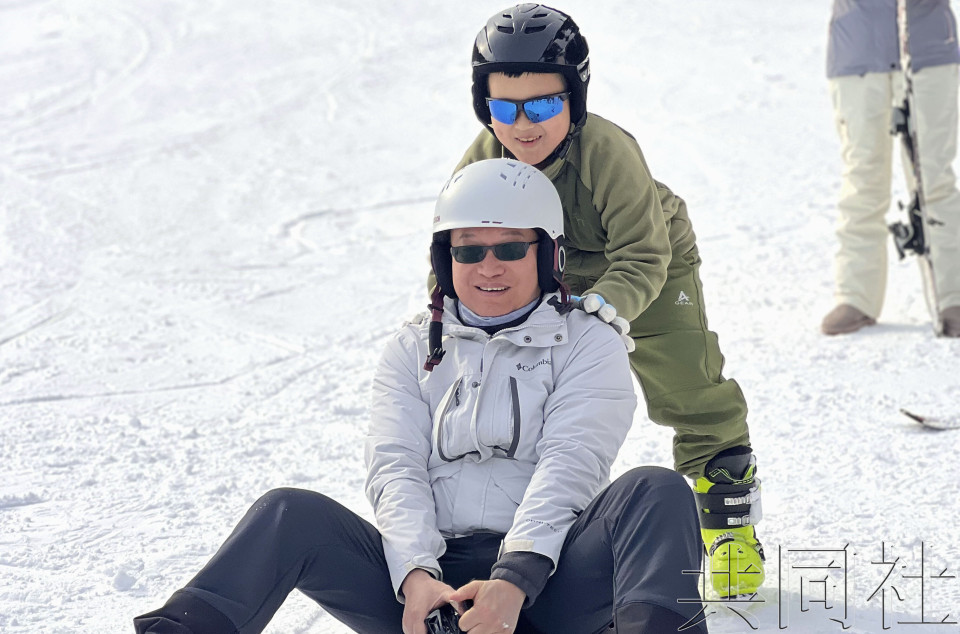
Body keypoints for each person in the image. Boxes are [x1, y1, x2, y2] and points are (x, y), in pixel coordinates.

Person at [133, 159, 708, 634]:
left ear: (547, 254)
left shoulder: (589, 341)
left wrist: (513, 581)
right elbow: (395, 465)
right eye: (468, 250)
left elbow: (571, 462)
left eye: (510, 250)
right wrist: (415, 576)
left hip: (548, 582)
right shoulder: (412, 346)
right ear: (444, 258)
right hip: (431, 591)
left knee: (655, 491)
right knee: (289, 513)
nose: (489, 267)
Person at [452, 4, 764, 598]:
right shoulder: (484, 161)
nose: (523, 125)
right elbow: (456, 244)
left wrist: (603, 309)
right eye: (503, 108)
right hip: (549, 272)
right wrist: (450, 318)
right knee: (520, 389)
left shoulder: (606, 151)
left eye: (543, 104)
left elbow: (644, 255)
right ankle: (530, 528)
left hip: (648, 259)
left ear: (575, 98)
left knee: (686, 383)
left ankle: (728, 523)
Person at [823, 0, 960, 336]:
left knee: (932, 176)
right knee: (862, 176)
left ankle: (951, 294)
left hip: (927, 50)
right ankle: (856, 296)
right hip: (857, 50)